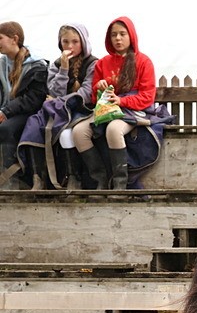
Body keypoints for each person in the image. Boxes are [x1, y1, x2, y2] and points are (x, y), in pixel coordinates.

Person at [71, 16, 158, 190]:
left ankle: (120, 183)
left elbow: (147, 96)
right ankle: (100, 179)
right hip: (106, 110)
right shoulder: (102, 63)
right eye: (114, 35)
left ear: (131, 36)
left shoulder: (143, 62)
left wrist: (122, 100)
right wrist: (99, 87)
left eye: (122, 34)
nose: (117, 38)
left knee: (114, 129)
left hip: (132, 110)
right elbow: (95, 100)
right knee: (79, 132)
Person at [17, 23, 98, 189]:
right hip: (58, 108)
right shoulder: (56, 64)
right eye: (65, 41)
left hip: (82, 109)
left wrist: (57, 101)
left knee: (66, 132)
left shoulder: (92, 63)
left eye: (75, 42)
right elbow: (54, 90)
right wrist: (64, 70)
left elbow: (85, 93)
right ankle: (38, 178)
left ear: (83, 42)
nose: (70, 46)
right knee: (33, 125)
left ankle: (73, 178)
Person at [0, 21, 49, 190]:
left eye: (0, 38)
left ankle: (11, 180)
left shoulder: (37, 65)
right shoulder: (2, 64)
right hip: (7, 111)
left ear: (15, 39)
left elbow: (34, 99)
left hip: (29, 112)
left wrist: (5, 111)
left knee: (6, 129)